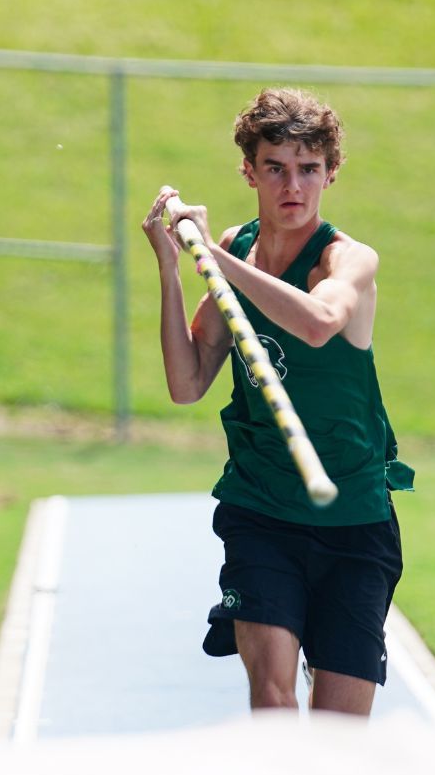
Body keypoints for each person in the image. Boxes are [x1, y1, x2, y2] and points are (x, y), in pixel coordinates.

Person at [142, 87, 412, 717]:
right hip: (262, 508)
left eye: (309, 169)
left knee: (338, 736)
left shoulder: (348, 259)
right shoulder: (236, 250)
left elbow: (319, 323)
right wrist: (169, 268)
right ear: (250, 171)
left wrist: (209, 255)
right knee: (273, 698)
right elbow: (186, 384)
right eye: (276, 168)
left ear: (331, 173)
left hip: (355, 519)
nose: (294, 186)